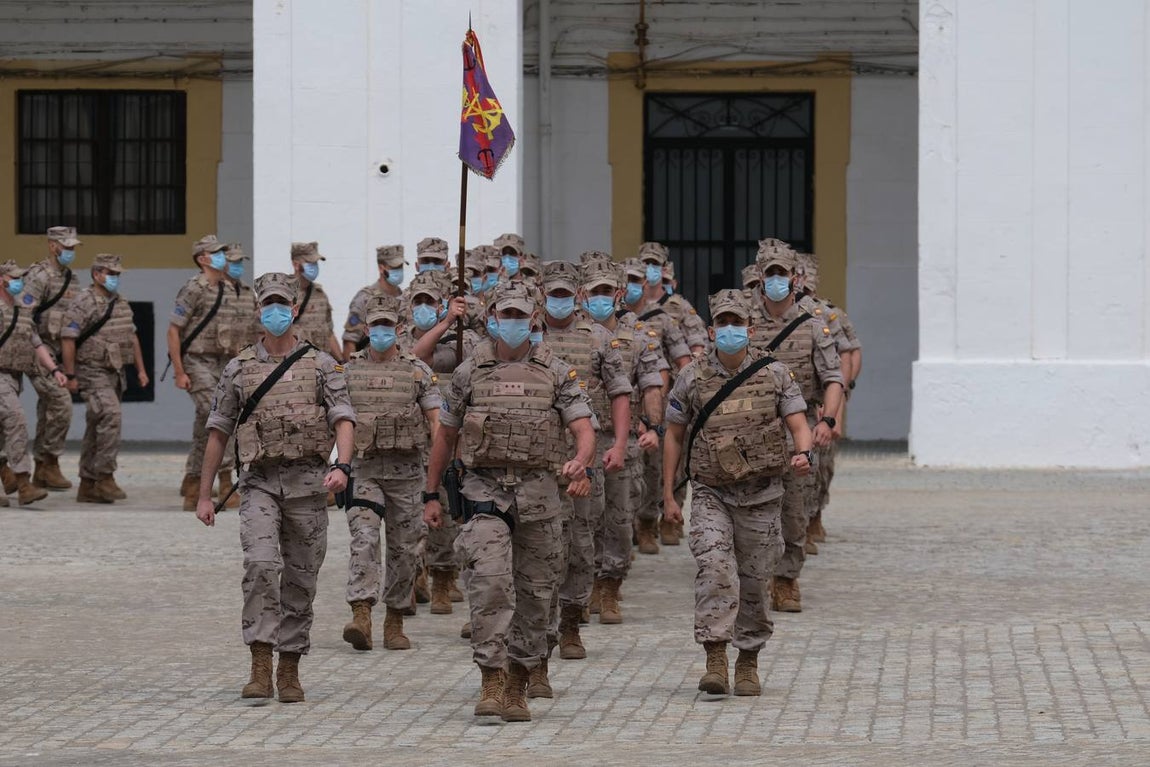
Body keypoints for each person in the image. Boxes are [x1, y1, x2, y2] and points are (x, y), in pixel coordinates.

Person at [422, 281, 596, 723]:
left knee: (537, 594)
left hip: (540, 495)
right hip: (483, 491)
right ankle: (492, 678)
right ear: (494, 320)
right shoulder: (470, 371)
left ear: (533, 321)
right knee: (490, 583)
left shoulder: (556, 371)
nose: (514, 323)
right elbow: (446, 434)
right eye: (506, 316)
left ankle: (521, 677)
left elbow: (582, 427)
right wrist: (431, 492)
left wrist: (581, 461)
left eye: (521, 316)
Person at [195, 272, 355, 704]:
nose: (276, 312)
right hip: (260, 484)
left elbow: (343, 418)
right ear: (258, 311)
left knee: (301, 579)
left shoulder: (321, 364)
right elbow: (218, 432)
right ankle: (260, 663)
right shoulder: (239, 367)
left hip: (308, 485)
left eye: (282, 304)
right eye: (269, 305)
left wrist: (343, 465)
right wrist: (205, 493)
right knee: (261, 566)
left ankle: (290, 667)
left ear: (296, 310)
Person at [662, 288, 813, 697]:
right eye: (723, 323)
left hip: (762, 494)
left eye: (737, 323)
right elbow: (674, 435)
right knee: (714, 567)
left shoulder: (774, 372)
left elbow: (798, 421)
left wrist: (803, 453)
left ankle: (748, 659)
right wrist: (669, 495)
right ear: (712, 331)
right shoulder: (692, 376)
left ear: (749, 328)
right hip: (712, 492)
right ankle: (715, 655)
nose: (730, 329)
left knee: (755, 578)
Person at [538, 260, 632, 679]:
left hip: (586, 453)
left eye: (564, 295)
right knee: (538, 542)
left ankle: (572, 621)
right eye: (551, 294)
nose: (558, 301)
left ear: (576, 298)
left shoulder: (599, 340)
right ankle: (538, 624)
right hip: (536, 457)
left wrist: (621, 443)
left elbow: (619, 393)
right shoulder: (526, 338)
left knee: (579, 540)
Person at [341, 295, 441, 651]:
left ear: (399, 329)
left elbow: (435, 420)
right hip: (364, 470)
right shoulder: (349, 371)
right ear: (367, 329)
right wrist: (335, 466)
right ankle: (361, 613)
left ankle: (395, 618)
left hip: (407, 473)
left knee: (404, 548)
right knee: (364, 539)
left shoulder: (416, 371)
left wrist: (441, 469)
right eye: (375, 325)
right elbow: (337, 421)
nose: (381, 331)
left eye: (388, 325)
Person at [750, 242, 843, 612]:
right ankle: (754, 578)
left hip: (798, 429)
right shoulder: (743, 324)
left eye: (782, 273)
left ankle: (787, 579)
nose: (776, 280)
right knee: (752, 509)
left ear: (795, 277)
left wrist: (828, 419)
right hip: (752, 429)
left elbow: (833, 377)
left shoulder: (814, 326)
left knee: (794, 509)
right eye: (769, 273)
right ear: (759, 276)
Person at [579, 258, 668, 625]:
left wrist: (652, 427)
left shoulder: (639, 336)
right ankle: (580, 589)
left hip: (623, 440)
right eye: (593, 291)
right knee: (582, 521)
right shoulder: (571, 334)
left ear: (618, 294)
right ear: (582, 295)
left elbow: (651, 385)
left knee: (617, 519)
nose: (600, 298)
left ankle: (610, 587)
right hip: (580, 442)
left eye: (606, 291)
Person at [60, 254, 148, 504]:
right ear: (97, 274)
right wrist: (70, 375)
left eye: (117, 274)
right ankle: (105, 476)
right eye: (111, 273)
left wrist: (140, 370)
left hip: (115, 373)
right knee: (111, 415)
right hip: (91, 370)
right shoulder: (83, 302)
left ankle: (87, 484)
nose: (115, 278)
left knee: (96, 424)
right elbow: (68, 338)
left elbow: (132, 337)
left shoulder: (120, 302)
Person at [168, 234, 245, 511]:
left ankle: (192, 482)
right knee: (220, 417)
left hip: (221, 364)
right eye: (216, 253)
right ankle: (225, 481)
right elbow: (174, 330)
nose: (222, 256)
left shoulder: (224, 288)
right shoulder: (194, 288)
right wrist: (179, 371)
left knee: (206, 423)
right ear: (203, 258)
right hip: (196, 363)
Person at [0, 260, 68, 506]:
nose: (19, 282)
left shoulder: (21, 308)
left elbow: (36, 342)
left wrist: (54, 370)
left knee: (2, 429)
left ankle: (8, 473)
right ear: (2, 280)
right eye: (15, 278)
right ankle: (23, 482)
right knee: (16, 419)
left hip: (14, 376)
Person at [21, 226, 82, 491]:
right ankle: (50, 460)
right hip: (38, 350)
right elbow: (24, 318)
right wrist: (40, 352)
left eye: (72, 247)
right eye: (65, 246)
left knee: (48, 409)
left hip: (59, 350)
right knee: (60, 403)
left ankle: (43, 468)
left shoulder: (73, 279)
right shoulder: (38, 276)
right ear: (52, 246)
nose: (69, 251)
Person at [342, 244, 406, 358]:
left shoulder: (406, 298)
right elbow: (349, 341)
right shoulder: (365, 298)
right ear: (381, 268)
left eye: (400, 267)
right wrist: (351, 371)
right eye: (394, 267)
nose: (398, 271)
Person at [289, 241, 343, 361]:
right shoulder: (283, 294)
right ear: (296, 264)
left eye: (315, 263)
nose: (314, 266)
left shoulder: (320, 294)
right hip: (296, 367)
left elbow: (329, 333)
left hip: (321, 366)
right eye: (310, 262)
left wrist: (340, 362)